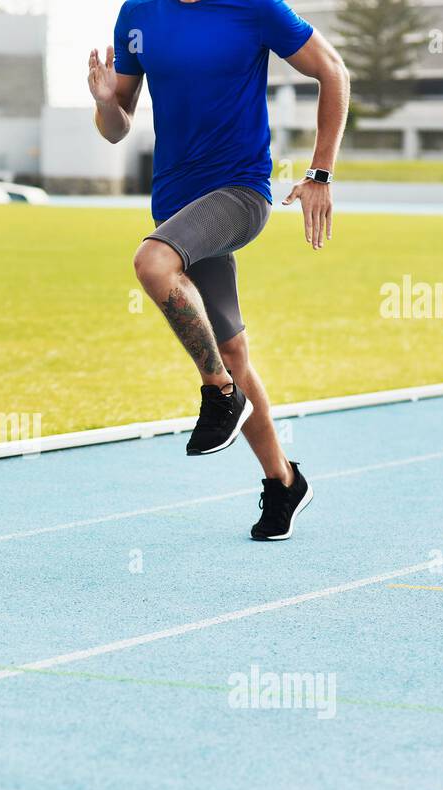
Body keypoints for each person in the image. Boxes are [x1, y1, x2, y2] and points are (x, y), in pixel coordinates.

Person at [89, 0, 349, 540]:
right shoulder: (137, 13)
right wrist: (105, 102)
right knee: (233, 352)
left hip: (239, 191)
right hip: (176, 206)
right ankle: (283, 482)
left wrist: (320, 172)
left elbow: (332, 70)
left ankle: (218, 392)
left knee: (152, 262)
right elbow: (117, 128)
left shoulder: (254, 7)